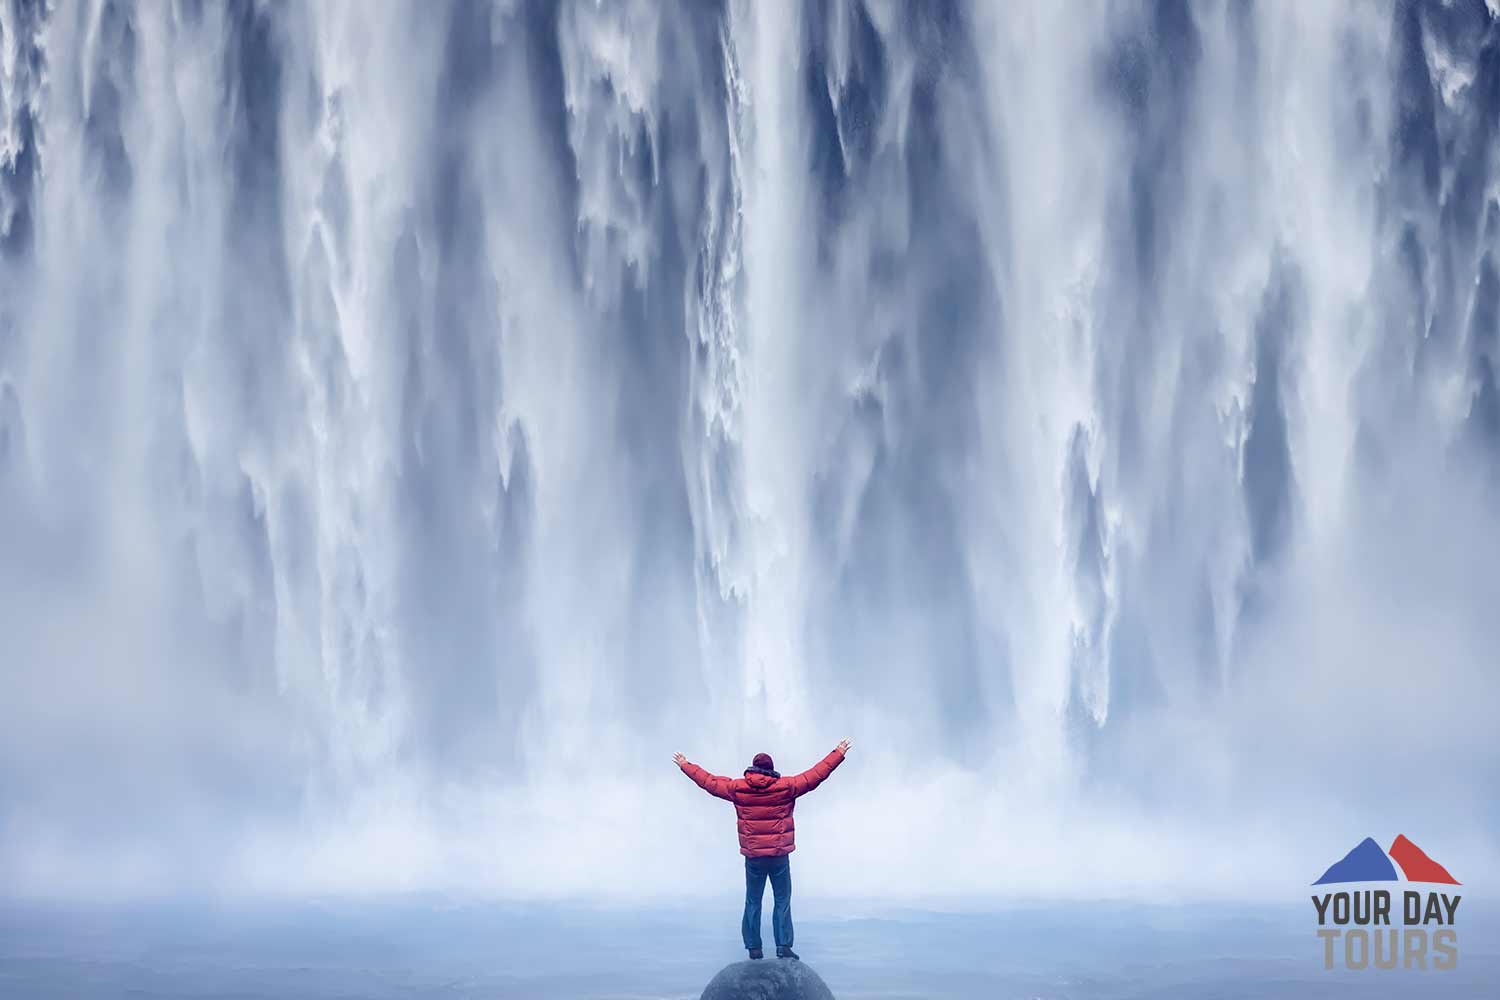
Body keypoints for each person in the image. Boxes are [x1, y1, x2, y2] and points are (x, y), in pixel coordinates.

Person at [673, 739, 852, 960]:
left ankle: (753, 948)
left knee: (753, 900)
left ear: (753, 768)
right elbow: (815, 775)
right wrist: (838, 753)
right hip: (778, 856)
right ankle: (783, 947)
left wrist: (685, 765)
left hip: (754, 858)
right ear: (771, 770)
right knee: (782, 900)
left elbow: (709, 782)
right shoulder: (786, 787)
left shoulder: (738, 788)